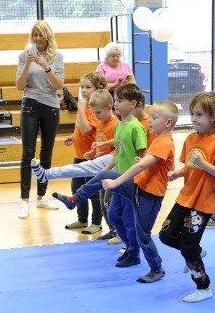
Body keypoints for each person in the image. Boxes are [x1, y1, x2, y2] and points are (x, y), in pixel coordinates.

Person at [53, 84, 148, 267]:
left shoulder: (137, 128)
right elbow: (118, 153)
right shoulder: (120, 126)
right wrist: (106, 163)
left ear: (132, 104)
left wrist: (139, 169)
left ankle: (134, 253)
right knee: (112, 215)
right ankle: (128, 247)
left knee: (128, 219)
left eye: (120, 101)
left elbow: (143, 156)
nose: (116, 104)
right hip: (118, 176)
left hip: (129, 180)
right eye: (116, 100)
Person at [159, 92, 215, 303]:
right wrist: (178, 173)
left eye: (200, 114)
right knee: (166, 235)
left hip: (204, 202)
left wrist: (204, 164)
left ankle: (204, 287)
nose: (194, 119)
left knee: (187, 247)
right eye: (193, 114)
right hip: (186, 197)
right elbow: (190, 167)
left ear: (213, 116)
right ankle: (196, 252)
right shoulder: (191, 138)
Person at [100, 101, 178, 283]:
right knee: (113, 213)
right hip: (140, 187)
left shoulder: (164, 142)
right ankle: (132, 251)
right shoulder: (159, 140)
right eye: (150, 117)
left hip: (150, 195)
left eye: (154, 117)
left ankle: (156, 268)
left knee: (142, 233)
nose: (149, 120)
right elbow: (166, 165)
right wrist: (145, 164)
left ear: (168, 123)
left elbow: (144, 164)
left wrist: (117, 181)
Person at [32, 89, 120, 241]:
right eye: (95, 113)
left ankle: (47, 175)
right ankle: (114, 230)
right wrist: (96, 153)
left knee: (84, 174)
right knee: (105, 200)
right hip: (107, 159)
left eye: (98, 113)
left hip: (115, 163)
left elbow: (120, 147)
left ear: (109, 107)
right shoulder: (102, 122)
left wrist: (101, 151)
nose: (97, 116)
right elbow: (107, 147)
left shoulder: (116, 124)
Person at [16, 20, 64, 219]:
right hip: (30, 104)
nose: (37, 39)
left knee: (46, 154)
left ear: (47, 36)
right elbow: (19, 86)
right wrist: (28, 63)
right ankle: (24, 200)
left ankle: (41, 196)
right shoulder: (23, 55)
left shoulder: (57, 57)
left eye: (40, 35)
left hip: (51, 107)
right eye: (34, 35)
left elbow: (58, 84)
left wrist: (45, 66)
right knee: (28, 153)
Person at [63, 72, 105, 234]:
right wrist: (73, 137)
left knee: (92, 191)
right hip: (78, 155)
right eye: (82, 87)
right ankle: (82, 219)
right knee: (77, 188)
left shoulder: (94, 110)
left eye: (88, 87)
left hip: (92, 158)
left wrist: (81, 109)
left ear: (98, 89)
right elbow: (80, 129)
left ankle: (96, 222)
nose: (84, 90)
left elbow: (87, 130)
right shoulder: (84, 107)